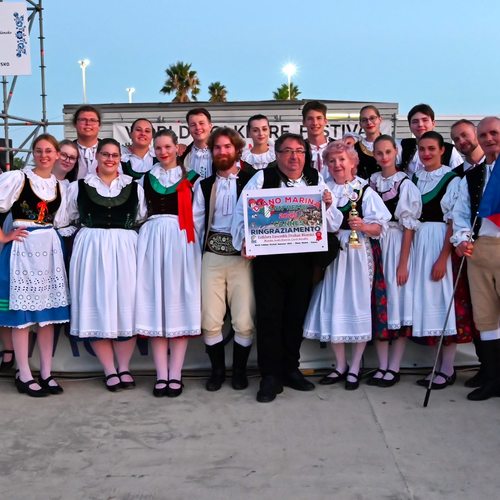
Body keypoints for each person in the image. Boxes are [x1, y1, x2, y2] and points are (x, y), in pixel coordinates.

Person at [232, 133, 341, 403]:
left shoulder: (315, 179)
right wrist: (245, 240)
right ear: (277, 155)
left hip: (303, 259)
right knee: (269, 317)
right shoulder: (262, 178)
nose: (294, 157)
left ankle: (291, 369)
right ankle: (270, 376)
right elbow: (242, 212)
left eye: (299, 151)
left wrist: (327, 206)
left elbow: (333, 224)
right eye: (288, 151)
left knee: (295, 316)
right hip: (270, 261)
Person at [303, 141, 390, 391]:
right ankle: (340, 365)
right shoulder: (323, 190)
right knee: (334, 304)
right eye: (332, 161)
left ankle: (355, 367)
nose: (337, 164)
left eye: (342, 159)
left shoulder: (364, 190)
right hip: (331, 255)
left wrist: (363, 226)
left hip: (358, 253)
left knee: (356, 303)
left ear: (353, 162)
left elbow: (380, 227)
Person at [66, 138, 147, 391]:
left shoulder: (134, 187)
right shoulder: (79, 186)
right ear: (97, 157)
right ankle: (109, 369)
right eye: (105, 154)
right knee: (97, 303)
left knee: (127, 305)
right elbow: (65, 219)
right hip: (92, 250)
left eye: (114, 155)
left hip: (126, 249)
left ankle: (124, 367)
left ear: (120, 159)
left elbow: (142, 217)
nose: (110, 159)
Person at [0, 134, 70, 396]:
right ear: (33, 153)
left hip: (49, 252)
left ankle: (47, 373)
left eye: (49, 151)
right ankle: (24, 373)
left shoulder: (59, 186)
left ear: (56, 155)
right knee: (22, 318)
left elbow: (62, 222)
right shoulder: (18, 178)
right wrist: (3, 236)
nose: (44, 155)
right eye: (39, 150)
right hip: (22, 250)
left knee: (46, 318)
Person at [136, 129, 201, 397]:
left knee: (178, 306)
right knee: (156, 307)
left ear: (177, 148)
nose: (163, 152)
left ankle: (176, 374)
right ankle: (161, 374)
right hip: (152, 241)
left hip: (182, 240)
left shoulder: (192, 178)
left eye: (167, 147)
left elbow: (198, 215)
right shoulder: (145, 178)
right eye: (159, 148)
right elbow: (140, 213)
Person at [193, 127, 256, 391]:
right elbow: (197, 225)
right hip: (212, 257)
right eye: (217, 147)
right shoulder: (204, 185)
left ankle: (239, 371)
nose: (222, 151)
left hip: (244, 258)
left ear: (237, 149)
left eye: (227, 146)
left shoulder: (254, 180)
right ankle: (217, 371)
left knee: (244, 320)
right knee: (210, 319)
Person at [411, 131, 466, 389]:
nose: (426, 153)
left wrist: (443, 258)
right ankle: (436, 366)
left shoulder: (452, 179)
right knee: (428, 303)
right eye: (422, 149)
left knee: (443, 304)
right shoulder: (414, 177)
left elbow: (453, 221)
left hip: (438, 243)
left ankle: (448, 368)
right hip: (418, 244)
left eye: (431, 148)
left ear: (442, 150)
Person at [367, 135, 422, 386]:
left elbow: (409, 226)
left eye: (388, 152)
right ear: (374, 155)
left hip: (397, 243)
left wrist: (403, 263)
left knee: (397, 303)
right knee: (380, 303)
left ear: (395, 152)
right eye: (379, 153)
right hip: (375, 244)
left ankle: (394, 367)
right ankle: (381, 365)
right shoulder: (371, 182)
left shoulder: (405, 184)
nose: (384, 157)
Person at [452, 116, 500, 400]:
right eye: (484, 135)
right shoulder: (471, 177)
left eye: (494, 133)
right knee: (486, 318)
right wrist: (461, 239)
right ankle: (493, 378)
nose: (489, 139)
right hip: (479, 250)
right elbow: (460, 214)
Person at [398, 104, 462, 175]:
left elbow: (460, 176)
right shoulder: (401, 146)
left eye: (425, 120)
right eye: (415, 121)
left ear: (433, 123)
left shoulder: (450, 150)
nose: (420, 124)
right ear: (410, 126)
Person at [302, 100, 332, 180]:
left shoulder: (337, 146)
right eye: (310, 119)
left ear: (325, 121)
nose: (315, 123)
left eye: (319, 118)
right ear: (304, 122)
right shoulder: (299, 148)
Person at [180, 108, 213, 178]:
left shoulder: (221, 152)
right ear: (189, 128)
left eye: (201, 123)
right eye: (193, 125)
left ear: (210, 126)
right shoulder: (182, 155)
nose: (198, 127)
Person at [72, 105, 102, 179]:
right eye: (83, 120)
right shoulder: (66, 151)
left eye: (93, 120)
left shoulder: (109, 150)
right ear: (75, 124)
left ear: (99, 125)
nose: (88, 123)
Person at [355, 105, 383, 179]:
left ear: (380, 119)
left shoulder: (393, 145)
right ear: (360, 124)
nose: (369, 122)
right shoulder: (354, 148)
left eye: (372, 118)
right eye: (364, 120)